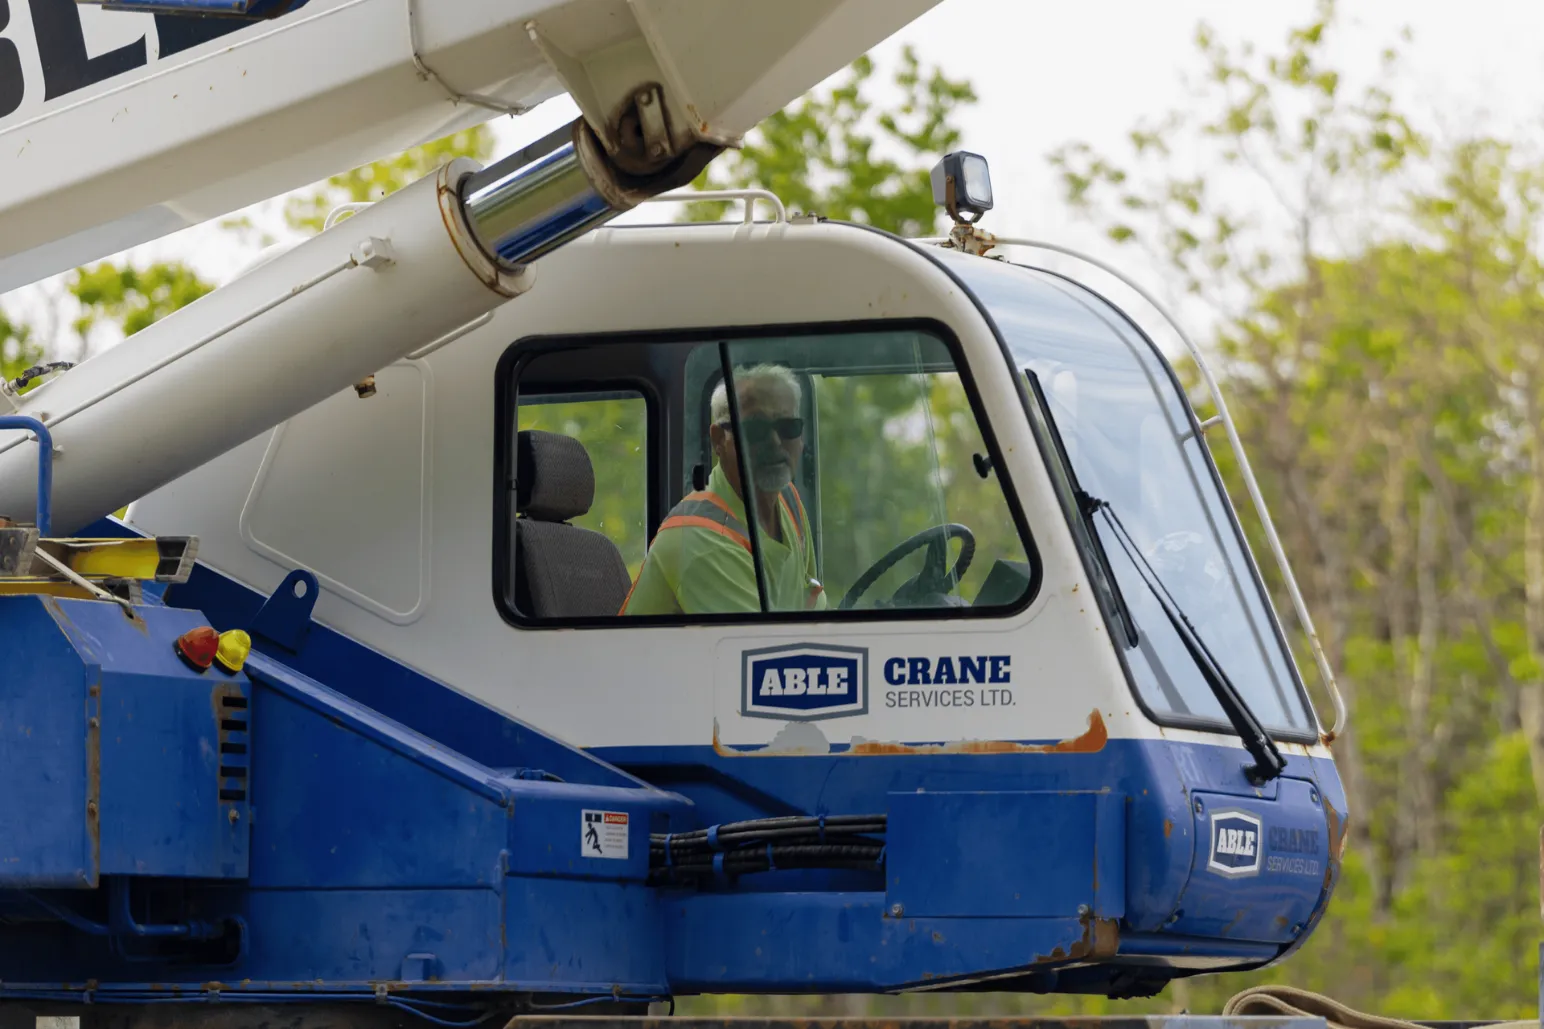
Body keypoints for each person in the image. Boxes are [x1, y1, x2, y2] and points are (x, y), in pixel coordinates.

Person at [621, 364, 825, 615]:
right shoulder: (701, 540)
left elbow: (811, 607)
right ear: (719, 439)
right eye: (755, 429)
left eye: (788, 427)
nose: (774, 441)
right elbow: (759, 650)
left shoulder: (788, 500)